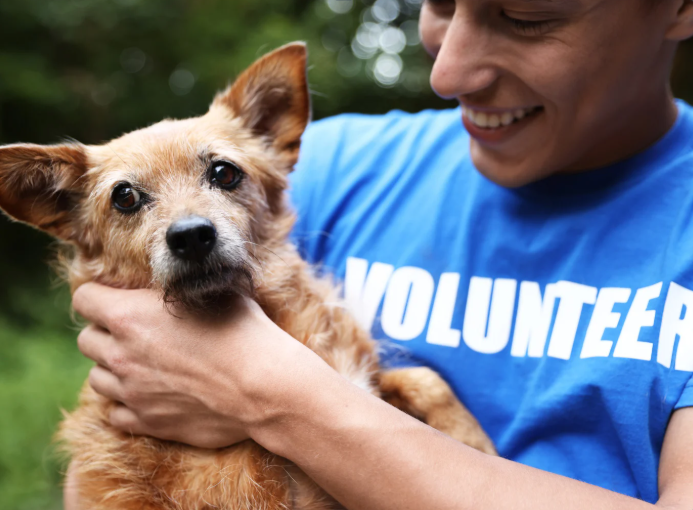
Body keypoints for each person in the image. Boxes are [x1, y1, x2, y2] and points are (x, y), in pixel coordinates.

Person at [69, 0, 693, 508]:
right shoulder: (330, 171)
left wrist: (274, 397)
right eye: (441, 3)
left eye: (526, 16)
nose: (447, 75)